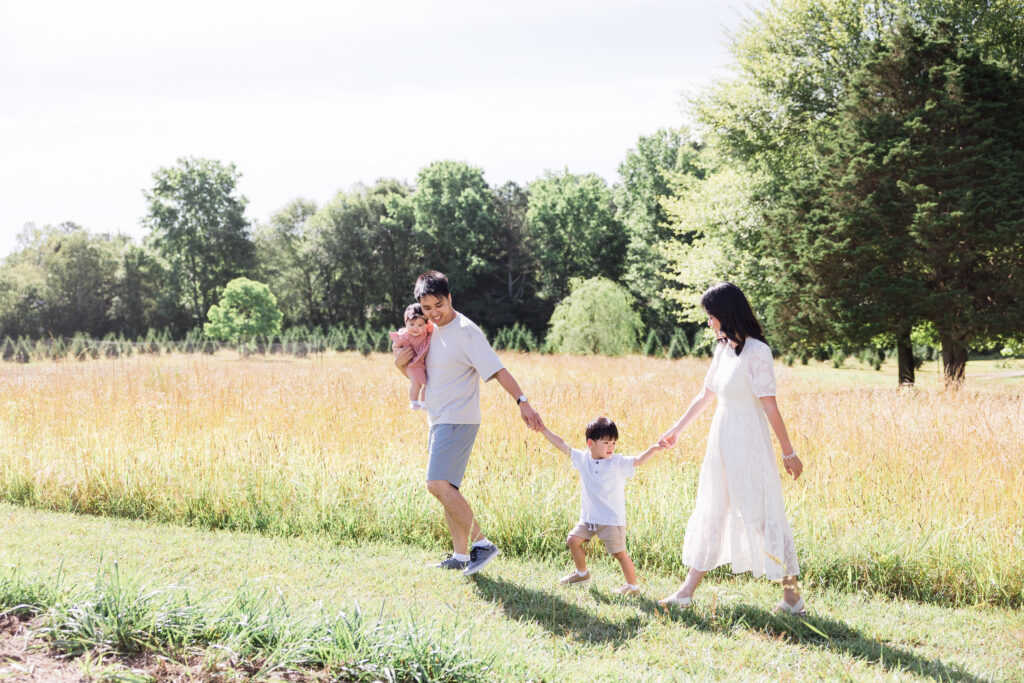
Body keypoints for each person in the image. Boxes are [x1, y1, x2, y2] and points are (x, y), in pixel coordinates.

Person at [656, 282, 807, 614]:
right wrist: (677, 430)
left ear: (725, 314)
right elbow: (705, 395)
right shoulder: (722, 350)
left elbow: (770, 406)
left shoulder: (758, 352)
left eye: (711, 316)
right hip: (721, 440)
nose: (709, 323)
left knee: (763, 517)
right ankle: (686, 591)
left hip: (749, 442)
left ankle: (793, 596)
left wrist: (788, 452)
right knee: (712, 509)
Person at [394, 270, 544, 575]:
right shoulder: (431, 332)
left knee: (436, 484)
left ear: (450, 298)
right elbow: (422, 373)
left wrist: (522, 402)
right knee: (448, 487)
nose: (433, 313)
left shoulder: (466, 331)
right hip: (438, 418)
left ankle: (482, 544)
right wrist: (401, 366)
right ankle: (461, 556)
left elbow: (497, 369)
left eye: (439, 305)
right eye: (426, 308)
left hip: (458, 419)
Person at [541, 417, 662, 595]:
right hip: (589, 518)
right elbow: (562, 444)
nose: (611, 447)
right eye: (606, 442)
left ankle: (632, 587)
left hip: (611, 519)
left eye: (614, 442)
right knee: (573, 540)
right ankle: (582, 574)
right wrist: (543, 429)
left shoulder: (617, 462)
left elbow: (638, 460)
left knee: (620, 554)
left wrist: (655, 448)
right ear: (590, 443)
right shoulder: (583, 459)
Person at [389, 303, 433, 410]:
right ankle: (413, 402)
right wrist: (397, 354)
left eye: (420, 325)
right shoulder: (404, 335)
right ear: (406, 322)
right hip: (412, 363)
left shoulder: (425, 334)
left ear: (426, 325)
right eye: (412, 324)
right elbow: (396, 346)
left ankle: (423, 402)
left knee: (427, 384)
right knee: (416, 383)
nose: (415, 328)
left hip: (421, 363)